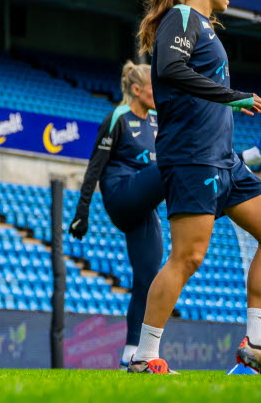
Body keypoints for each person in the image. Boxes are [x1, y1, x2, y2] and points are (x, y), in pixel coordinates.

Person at [127, 0, 261, 375]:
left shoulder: (204, 27)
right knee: (188, 256)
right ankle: (144, 356)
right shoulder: (181, 18)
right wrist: (232, 95)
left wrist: (228, 106)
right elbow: (169, 67)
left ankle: (256, 344)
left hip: (225, 159)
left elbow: (195, 85)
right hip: (192, 158)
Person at [69, 62, 164, 368]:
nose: (158, 92)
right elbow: (95, 166)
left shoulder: (156, 121)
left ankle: (132, 352)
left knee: (148, 278)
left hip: (144, 204)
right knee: (175, 161)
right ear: (136, 90)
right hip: (121, 194)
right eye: (153, 86)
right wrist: (82, 213)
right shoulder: (117, 118)